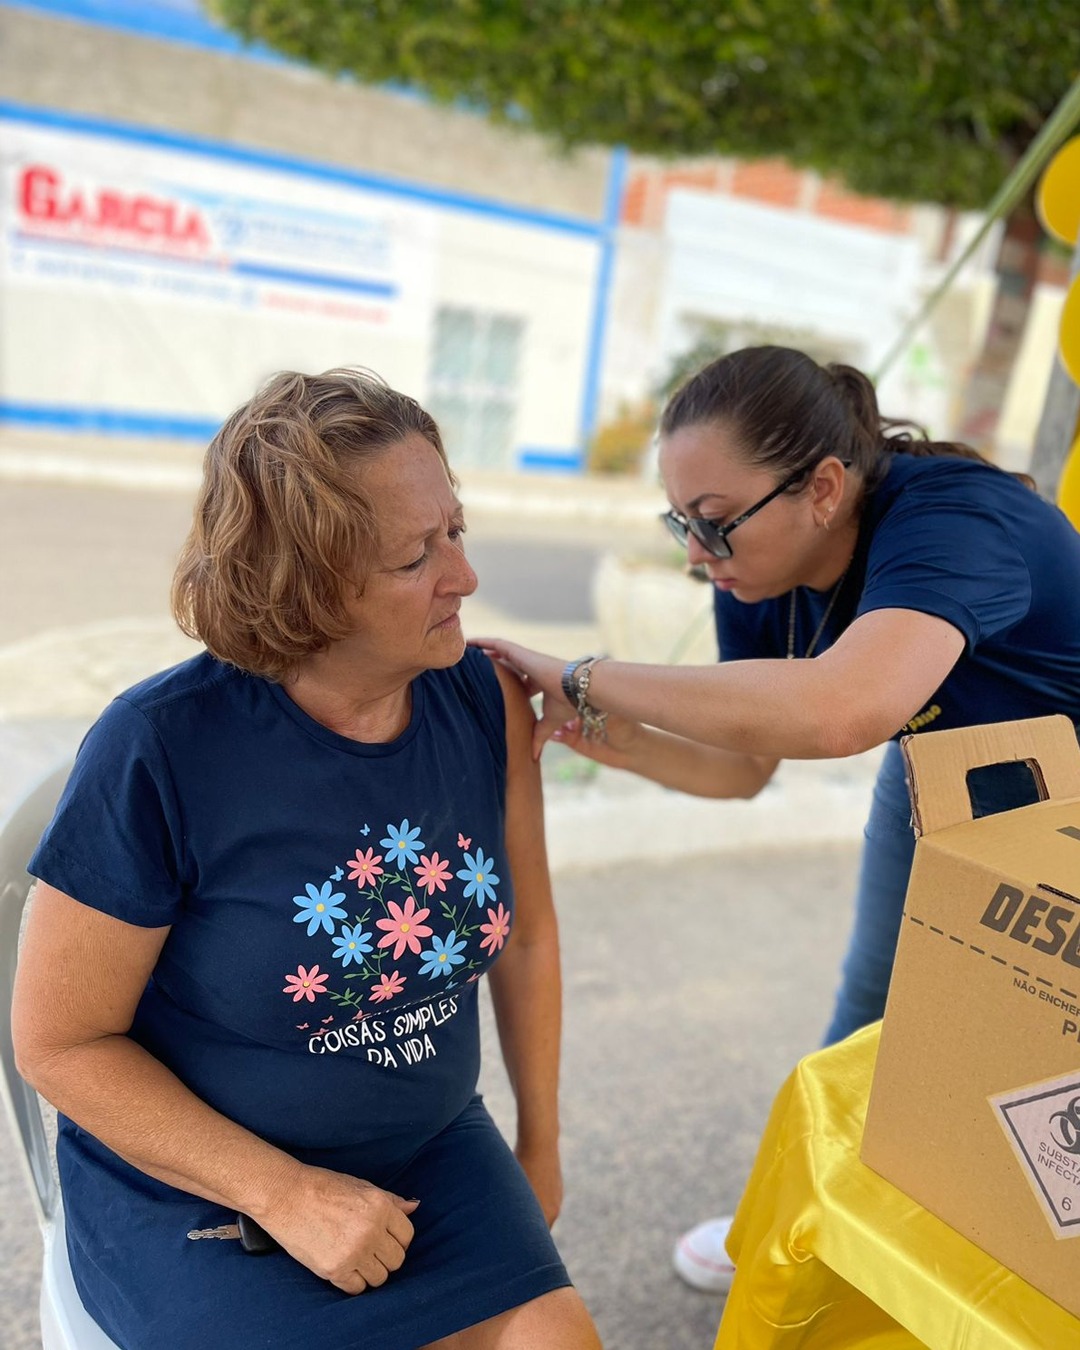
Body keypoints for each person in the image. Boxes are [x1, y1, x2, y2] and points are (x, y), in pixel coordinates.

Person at [12, 369, 602, 1350]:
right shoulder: (161, 749)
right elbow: (60, 1045)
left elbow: (528, 938)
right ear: (309, 587)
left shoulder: (480, 699)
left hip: (429, 1151)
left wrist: (539, 1142)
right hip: (201, 1182)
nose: (464, 577)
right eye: (416, 556)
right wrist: (282, 1193)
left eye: (456, 530)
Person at [472, 344, 1080, 1295]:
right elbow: (743, 769)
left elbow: (843, 710)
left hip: (1065, 796)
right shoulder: (758, 574)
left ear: (824, 488)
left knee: (1039, 1040)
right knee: (868, 1012)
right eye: (681, 521)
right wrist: (609, 735)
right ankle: (796, 1223)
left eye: (713, 523)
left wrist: (583, 674)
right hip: (943, 766)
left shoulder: (954, 519)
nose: (694, 554)